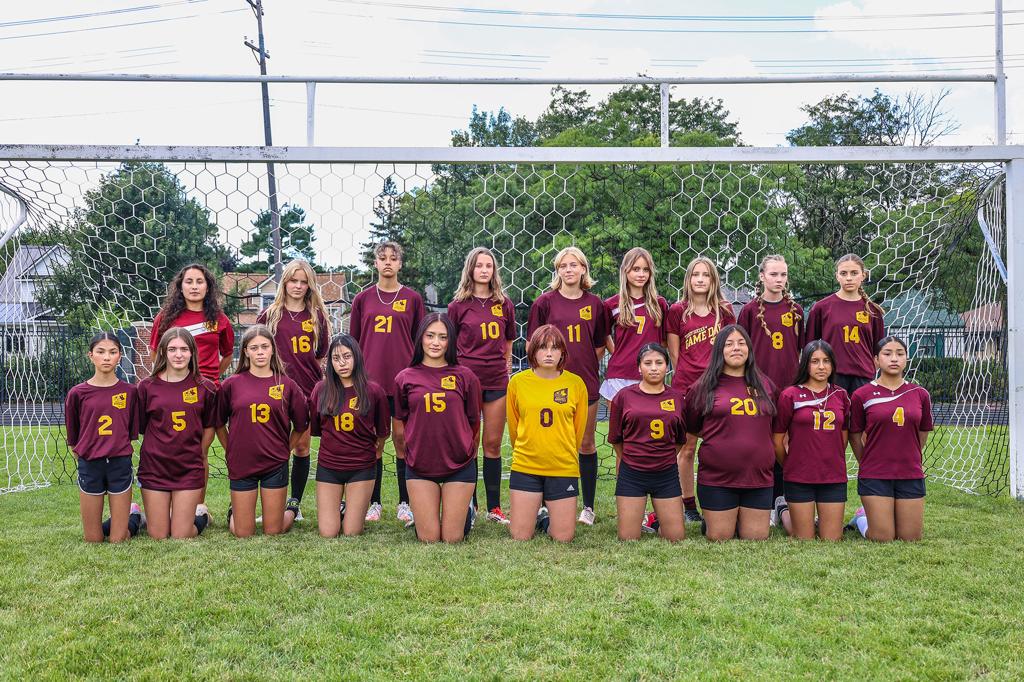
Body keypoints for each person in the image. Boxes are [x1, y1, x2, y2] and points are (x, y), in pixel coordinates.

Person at [527, 246, 608, 526]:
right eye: (563, 266)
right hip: (549, 384)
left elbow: (599, 346)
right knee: (551, 445)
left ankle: (587, 506)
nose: (569, 270)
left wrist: (579, 368)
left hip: (585, 383)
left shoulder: (595, 304)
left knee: (585, 443)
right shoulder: (544, 303)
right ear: (557, 271)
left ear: (584, 269)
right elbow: (533, 345)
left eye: (574, 265)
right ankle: (545, 506)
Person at [349, 241, 425, 524]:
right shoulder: (363, 299)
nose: (388, 262)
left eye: (394, 258)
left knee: (404, 441)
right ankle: (374, 502)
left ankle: (405, 502)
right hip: (370, 384)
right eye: (383, 258)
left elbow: (422, 341)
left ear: (400, 264)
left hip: (404, 382)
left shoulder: (413, 299)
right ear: (375, 263)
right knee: (374, 442)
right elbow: (353, 344)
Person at [150, 263, 234, 505]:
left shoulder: (219, 319)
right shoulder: (166, 318)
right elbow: (156, 353)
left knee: (200, 452)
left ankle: (198, 506)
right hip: (175, 392)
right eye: (189, 281)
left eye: (200, 281)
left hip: (208, 395)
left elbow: (227, 354)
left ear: (208, 287)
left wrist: (207, 378)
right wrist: (172, 378)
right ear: (180, 286)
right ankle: (169, 502)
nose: (194, 286)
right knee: (176, 449)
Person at [682, 325, 776, 541]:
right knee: (720, 537)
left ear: (750, 349)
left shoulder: (766, 386)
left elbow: (775, 428)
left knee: (755, 539)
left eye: (741, 343)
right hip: (718, 478)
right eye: (729, 344)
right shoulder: (702, 387)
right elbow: (692, 430)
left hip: (758, 478)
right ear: (719, 350)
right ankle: (715, 519)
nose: (736, 348)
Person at [394, 314, 482, 543]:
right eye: (430, 335)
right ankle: (425, 516)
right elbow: (400, 424)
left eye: (442, 337)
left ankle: (466, 511)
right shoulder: (404, 378)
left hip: (459, 464)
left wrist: (467, 451)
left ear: (450, 342)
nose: (435, 342)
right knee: (430, 538)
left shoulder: (466, 377)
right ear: (420, 338)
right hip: (420, 465)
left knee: (453, 538)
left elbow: (474, 422)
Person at [216, 325, 309, 538]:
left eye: (265, 347)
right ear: (246, 351)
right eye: (254, 347)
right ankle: (235, 512)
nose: (260, 352)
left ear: (273, 350)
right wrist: (230, 447)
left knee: (273, 531)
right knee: (242, 533)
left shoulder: (286, 384)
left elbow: (301, 425)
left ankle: (291, 509)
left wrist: (286, 449)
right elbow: (219, 423)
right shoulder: (231, 384)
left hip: (274, 463)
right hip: (242, 462)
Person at [256, 259, 331, 518]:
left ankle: (294, 504)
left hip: (307, 390)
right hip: (273, 389)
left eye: (303, 282)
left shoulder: (317, 316)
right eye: (293, 280)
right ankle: (270, 504)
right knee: (273, 446)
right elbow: (258, 350)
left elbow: (320, 355)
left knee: (300, 447)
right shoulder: (269, 315)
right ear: (284, 282)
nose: (298, 286)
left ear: (310, 285)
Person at [447, 247, 516, 524]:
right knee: (469, 443)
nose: (484, 270)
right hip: (467, 382)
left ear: (494, 271)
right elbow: (449, 345)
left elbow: (509, 341)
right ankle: (471, 505)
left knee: (492, 444)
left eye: (489, 265)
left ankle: (495, 507)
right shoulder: (458, 306)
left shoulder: (504, 304)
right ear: (471, 270)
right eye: (479, 265)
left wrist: (505, 366)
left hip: (497, 380)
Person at [666, 255, 735, 523]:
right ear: (689, 279)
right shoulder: (677, 311)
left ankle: (721, 501)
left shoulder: (724, 310)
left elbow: (730, 349)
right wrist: (690, 385)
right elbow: (675, 355)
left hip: (718, 386)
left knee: (720, 445)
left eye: (706, 275)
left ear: (713, 279)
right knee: (687, 447)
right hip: (686, 387)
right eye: (696, 274)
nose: (700, 279)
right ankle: (688, 504)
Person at [507, 325, 589, 543]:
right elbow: (514, 428)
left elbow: (577, 431)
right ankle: (536, 512)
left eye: (555, 348)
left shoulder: (575, 384)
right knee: (520, 536)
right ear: (533, 351)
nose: (549, 353)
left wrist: (562, 452)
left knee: (563, 538)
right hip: (526, 465)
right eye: (543, 348)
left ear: (563, 352)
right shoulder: (517, 382)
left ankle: (545, 517)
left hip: (562, 467)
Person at [847, 336, 933, 542]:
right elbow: (854, 434)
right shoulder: (862, 395)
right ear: (876, 360)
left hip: (909, 473)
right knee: (882, 537)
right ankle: (861, 518)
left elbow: (922, 434)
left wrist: (909, 457)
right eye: (887, 354)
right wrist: (867, 461)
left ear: (906, 359)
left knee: (910, 538)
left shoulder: (920, 394)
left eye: (900, 354)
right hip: (875, 474)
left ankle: (889, 515)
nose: (894, 359)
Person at [738, 254, 804, 512]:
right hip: (758, 388)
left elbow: (801, 352)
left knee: (785, 442)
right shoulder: (749, 311)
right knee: (760, 443)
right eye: (774, 274)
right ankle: (759, 499)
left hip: (788, 388)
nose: (779, 279)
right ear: (762, 276)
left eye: (783, 275)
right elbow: (740, 351)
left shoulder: (796, 311)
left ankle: (782, 498)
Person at [137, 328, 217, 539]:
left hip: (188, 468)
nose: (178, 354)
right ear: (163, 352)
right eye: (172, 349)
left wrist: (198, 453)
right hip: (155, 467)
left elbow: (209, 427)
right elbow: (143, 426)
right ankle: (135, 515)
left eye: (184, 349)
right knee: (158, 535)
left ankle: (201, 515)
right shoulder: (146, 387)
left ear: (192, 353)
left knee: (181, 534)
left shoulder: (205, 387)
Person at [65, 332, 143, 543]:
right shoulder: (77, 393)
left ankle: (134, 517)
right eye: (101, 352)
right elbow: (73, 438)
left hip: (119, 463)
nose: (107, 357)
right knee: (93, 540)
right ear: (90, 356)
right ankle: (131, 512)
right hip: (90, 465)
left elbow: (130, 433)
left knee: (119, 540)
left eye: (112, 352)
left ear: (120, 356)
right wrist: (89, 455)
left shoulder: (130, 392)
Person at [309, 335, 390, 538]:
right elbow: (318, 430)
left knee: (352, 532)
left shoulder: (373, 391)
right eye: (336, 358)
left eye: (347, 356)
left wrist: (370, 455)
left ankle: (352, 508)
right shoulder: (321, 390)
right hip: (329, 467)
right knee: (328, 532)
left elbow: (381, 435)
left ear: (357, 357)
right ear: (330, 363)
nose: (342, 363)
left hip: (361, 468)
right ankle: (341, 507)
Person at [771, 340, 850, 541]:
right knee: (803, 537)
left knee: (832, 539)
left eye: (826, 361)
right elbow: (777, 440)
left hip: (832, 475)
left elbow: (843, 438)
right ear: (805, 363)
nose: (821, 367)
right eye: (815, 361)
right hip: (799, 476)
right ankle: (783, 511)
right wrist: (789, 465)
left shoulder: (841, 395)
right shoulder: (790, 395)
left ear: (833, 365)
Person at [608, 343, 686, 542]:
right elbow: (616, 439)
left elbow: (680, 440)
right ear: (639, 367)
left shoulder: (677, 398)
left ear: (667, 366)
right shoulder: (624, 397)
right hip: (632, 474)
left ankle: (655, 520)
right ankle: (639, 519)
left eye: (659, 362)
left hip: (666, 474)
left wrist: (663, 457)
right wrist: (632, 459)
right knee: (628, 538)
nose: (653, 367)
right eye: (648, 363)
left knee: (675, 537)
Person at [806, 253, 885, 395]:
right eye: (843, 273)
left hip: (863, 377)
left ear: (863, 275)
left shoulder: (873, 311)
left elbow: (878, 350)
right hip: (831, 376)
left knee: (860, 417)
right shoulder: (821, 308)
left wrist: (871, 368)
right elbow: (809, 346)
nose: (849, 278)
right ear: (837, 276)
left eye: (854, 273)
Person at [602, 247, 669, 400]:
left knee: (649, 423)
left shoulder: (659, 304)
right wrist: (618, 353)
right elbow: (604, 336)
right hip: (619, 375)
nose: (641, 274)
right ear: (625, 271)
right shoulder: (611, 304)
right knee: (619, 424)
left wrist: (650, 358)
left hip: (650, 375)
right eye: (635, 269)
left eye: (645, 270)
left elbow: (664, 341)